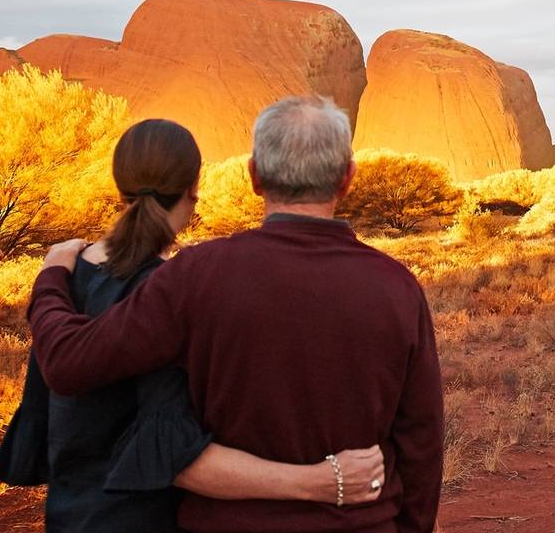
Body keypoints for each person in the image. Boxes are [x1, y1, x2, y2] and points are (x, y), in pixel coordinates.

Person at [28, 96, 443, 533]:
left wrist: (53, 277)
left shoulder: (196, 274)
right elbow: (421, 441)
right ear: (347, 178)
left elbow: (70, 362)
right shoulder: (398, 288)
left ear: (254, 176)